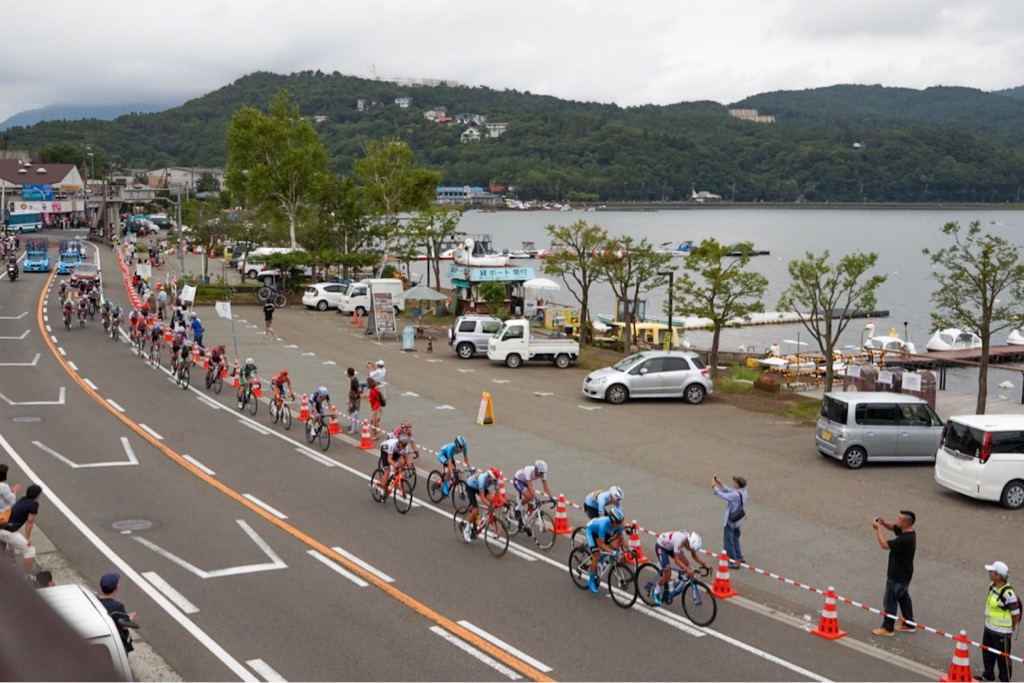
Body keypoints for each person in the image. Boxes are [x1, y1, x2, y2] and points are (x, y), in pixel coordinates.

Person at [872, 510, 917, 636]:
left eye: (899, 519)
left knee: (890, 600)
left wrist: (878, 529)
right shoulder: (908, 532)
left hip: (897, 574)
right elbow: (894, 528)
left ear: (905, 522)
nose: (897, 521)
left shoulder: (905, 540)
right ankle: (909, 623)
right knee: (903, 596)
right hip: (905, 574)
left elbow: (885, 545)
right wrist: (884, 523)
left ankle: (888, 627)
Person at [979, 561, 1021, 682]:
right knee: (987, 653)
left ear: (998, 575)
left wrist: (1012, 626)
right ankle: (988, 674)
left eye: (991, 571)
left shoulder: (1008, 593)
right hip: (989, 627)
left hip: (1002, 632)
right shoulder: (992, 586)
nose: (989, 573)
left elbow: (1016, 613)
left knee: (1003, 659)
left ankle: (1005, 680)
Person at [651, 530, 711, 606]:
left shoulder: (689, 541)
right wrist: (688, 570)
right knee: (668, 574)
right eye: (690, 548)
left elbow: (694, 556)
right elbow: (676, 560)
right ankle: (655, 592)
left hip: (671, 547)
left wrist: (704, 564)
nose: (689, 550)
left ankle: (677, 580)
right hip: (661, 547)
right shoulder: (679, 540)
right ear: (687, 542)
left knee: (686, 563)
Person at [0, 484, 42, 576]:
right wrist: (27, 538)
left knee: (11, 545)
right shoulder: (34, 504)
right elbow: (30, 522)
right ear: (38, 495)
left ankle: (9, 564)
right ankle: (26, 577)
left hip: (3, 528)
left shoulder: (22, 500)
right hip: (7, 531)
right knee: (30, 550)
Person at [584, 507, 628, 594]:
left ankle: (602, 561)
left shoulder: (618, 524)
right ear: (612, 521)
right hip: (591, 531)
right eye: (618, 522)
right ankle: (591, 581)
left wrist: (629, 549)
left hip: (603, 532)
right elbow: (602, 545)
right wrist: (611, 552)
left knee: (615, 545)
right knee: (596, 556)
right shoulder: (603, 525)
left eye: (621, 521)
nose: (620, 524)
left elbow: (621, 540)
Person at [458, 467, 502, 542]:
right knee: (475, 511)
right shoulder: (482, 479)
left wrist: (506, 503)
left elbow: (498, 495)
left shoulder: (494, 480)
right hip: (471, 487)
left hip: (479, 487)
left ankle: (486, 514)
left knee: (492, 500)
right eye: (494, 480)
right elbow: (482, 497)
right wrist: (490, 506)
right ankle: (467, 529)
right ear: (489, 476)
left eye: (496, 480)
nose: (495, 481)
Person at [712, 475, 748, 568]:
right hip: (738, 520)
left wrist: (714, 487)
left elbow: (723, 495)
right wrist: (720, 483)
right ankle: (739, 557)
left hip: (730, 520)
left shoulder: (736, 495)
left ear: (737, 485)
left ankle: (732, 561)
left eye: (735, 482)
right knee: (736, 539)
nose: (733, 483)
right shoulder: (744, 492)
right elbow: (730, 491)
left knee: (729, 541)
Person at [98, 572, 137, 654]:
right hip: (116, 643)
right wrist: (129, 620)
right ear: (117, 586)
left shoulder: (95, 600)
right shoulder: (117, 606)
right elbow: (123, 627)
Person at [512, 460, 553, 531]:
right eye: (540, 472)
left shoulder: (543, 474)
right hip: (518, 481)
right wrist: (536, 498)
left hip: (526, 482)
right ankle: (517, 508)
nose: (542, 474)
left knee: (531, 504)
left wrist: (551, 497)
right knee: (529, 496)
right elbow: (530, 486)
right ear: (536, 469)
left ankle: (524, 523)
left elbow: (545, 486)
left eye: (543, 473)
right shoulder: (528, 471)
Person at [346, 367, 361, 434]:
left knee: (353, 413)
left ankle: (354, 428)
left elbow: (359, 389)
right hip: (353, 398)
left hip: (355, 400)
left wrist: (356, 395)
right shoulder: (353, 380)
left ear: (349, 374)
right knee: (353, 412)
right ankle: (354, 426)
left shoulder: (354, 381)